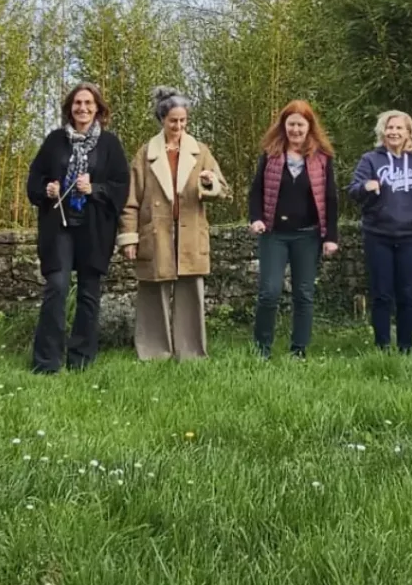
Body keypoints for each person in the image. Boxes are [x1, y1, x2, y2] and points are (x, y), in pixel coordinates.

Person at [119, 86, 227, 361]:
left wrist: (210, 183)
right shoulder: (145, 154)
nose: (178, 126)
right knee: (153, 292)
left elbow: (224, 190)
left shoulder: (200, 151)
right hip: (156, 233)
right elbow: (131, 200)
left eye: (183, 120)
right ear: (161, 120)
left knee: (191, 293)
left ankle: (190, 353)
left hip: (191, 233)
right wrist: (129, 237)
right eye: (173, 121)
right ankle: (154, 353)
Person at [27, 83, 129, 373]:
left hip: (95, 229)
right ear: (69, 108)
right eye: (77, 103)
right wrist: (46, 188)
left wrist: (94, 188)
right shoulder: (55, 141)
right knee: (56, 288)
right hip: (58, 225)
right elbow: (35, 178)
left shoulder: (110, 144)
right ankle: (47, 361)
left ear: (98, 108)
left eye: (88, 103)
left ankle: (81, 360)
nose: (82, 108)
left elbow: (121, 186)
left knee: (88, 293)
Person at [248, 100, 339, 359]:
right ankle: (261, 349)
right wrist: (256, 218)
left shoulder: (322, 158)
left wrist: (330, 237)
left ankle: (299, 350)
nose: (296, 130)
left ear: (310, 127)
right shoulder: (270, 154)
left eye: (301, 124)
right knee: (269, 292)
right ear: (283, 126)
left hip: (307, 235)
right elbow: (256, 191)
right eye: (291, 124)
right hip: (274, 234)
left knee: (303, 293)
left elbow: (331, 199)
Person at [348, 110, 412, 354]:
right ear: (382, 133)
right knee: (382, 294)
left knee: (407, 295)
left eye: (399, 128)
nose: (394, 132)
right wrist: (367, 186)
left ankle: (406, 347)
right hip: (378, 235)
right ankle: (382, 346)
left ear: (409, 134)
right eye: (390, 128)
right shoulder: (370, 160)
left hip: (411, 238)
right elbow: (353, 191)